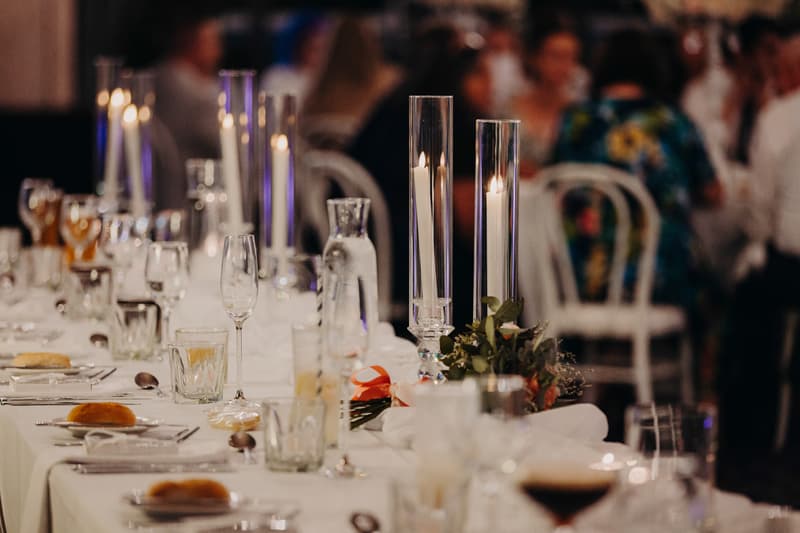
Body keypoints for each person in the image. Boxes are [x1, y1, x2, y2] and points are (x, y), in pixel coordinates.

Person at [551, 29, 721, 309]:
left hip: (582, 276)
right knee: (718, 286)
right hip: (658, 278)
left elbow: (555, 185)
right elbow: (713, 192)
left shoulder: (574, 122)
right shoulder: (671, 122)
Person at [349, 23, 493, 330]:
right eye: (480, 73)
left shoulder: (388, 109)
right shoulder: (451, 123)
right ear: (458, 77)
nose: (490, 83)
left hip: (369, 251)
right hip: (419, 266)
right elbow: (466, 218)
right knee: (492, 261)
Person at [153, 16, 223, 210]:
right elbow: (223, 135)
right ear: (191, 43)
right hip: (189, 186)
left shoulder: (164, 75)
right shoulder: (184, 85)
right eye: (212, 42)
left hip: (171, 183)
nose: (218, 51)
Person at [302, 16, 402, 149]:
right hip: (366, 166)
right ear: (372, 44)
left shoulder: (316, 91)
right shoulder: (389, 83)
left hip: (317, 168)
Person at [507, 11, 583, 178]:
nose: (564, 66)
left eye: (571, 57)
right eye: (555, 56)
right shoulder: (508, 109)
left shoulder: (580, 112)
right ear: (534, 57)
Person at [260, 14, 329, 111]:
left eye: (323, 49)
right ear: (299, 45)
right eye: (313, 48)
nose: (318, 56)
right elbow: (273, 113)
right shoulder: (277, 75)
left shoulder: (330, 80)